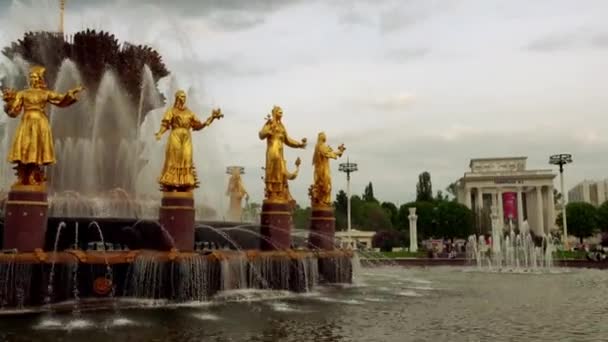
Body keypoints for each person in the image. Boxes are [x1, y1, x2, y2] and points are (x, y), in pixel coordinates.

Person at [1, 65, 83, 186]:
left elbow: (60, 100)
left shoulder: (45, 93)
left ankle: (34, 175)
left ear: (39, 79)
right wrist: (9, 104)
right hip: (27, 122)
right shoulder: (23, 93)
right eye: (31, 77)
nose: (32, 79)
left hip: (41, 123)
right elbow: (14, 111)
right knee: (24, 149)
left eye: (34, 77)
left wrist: (70, 93)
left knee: (37, 149)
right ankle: (23, 176)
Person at [155, 90, 222, 192]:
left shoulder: (189, 112)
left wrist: (212, 118)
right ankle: (171, 183)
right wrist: (160, 133)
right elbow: (165, 124)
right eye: (181, 96)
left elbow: (198, 126)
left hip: (186, 137)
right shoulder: (171, 111)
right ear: (177, 98)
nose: (183, 98)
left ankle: (185, 183)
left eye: (184, 96)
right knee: (174, 158)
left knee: (187, 157)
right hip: (175, 135)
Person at [259, 106, 306, 203]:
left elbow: (288, 140)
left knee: (280, 172)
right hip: (272, 151)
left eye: (282, 113)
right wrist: (268, 131)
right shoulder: (270, 123)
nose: (281, 114)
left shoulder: (282, 127)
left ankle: (278, 194)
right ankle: (271, 193)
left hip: (280, 153)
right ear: (275, 113)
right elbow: (261, 135)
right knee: (271, 171)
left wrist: (299, 144)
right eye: (280, 112)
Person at [309, 132, 345, 207]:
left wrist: (339, 152)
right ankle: (323, 201)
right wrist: (339, 152)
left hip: (321, 169)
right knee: (326, 185)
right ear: (322, 138)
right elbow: (328, 154)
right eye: (324, 136)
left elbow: (329, 153)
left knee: (324, 185)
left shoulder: (320, 146)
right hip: (322, 170)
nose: (326, 137)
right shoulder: (320, 146)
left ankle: (323, 201)